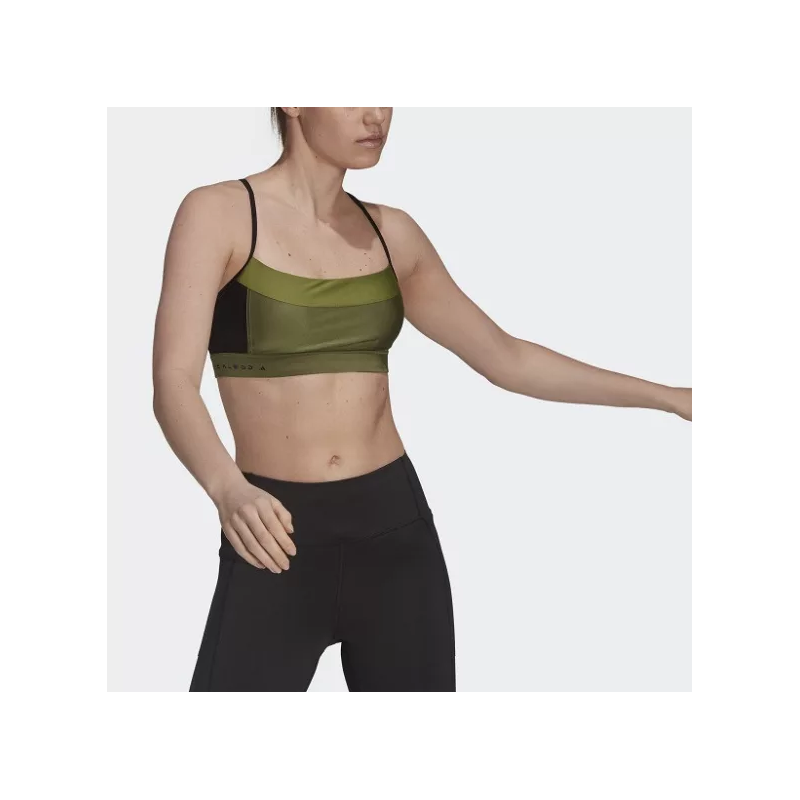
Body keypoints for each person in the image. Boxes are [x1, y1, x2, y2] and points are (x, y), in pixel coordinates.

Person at [152, 107, 691, 692]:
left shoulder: (392, 233)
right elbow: (173, 382)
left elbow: (506, 358)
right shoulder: (219, 214)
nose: (375, 114)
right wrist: (227, 488)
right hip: (272, 531)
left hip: (394, 532)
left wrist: (672, 397)